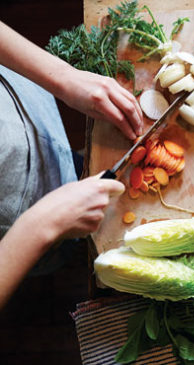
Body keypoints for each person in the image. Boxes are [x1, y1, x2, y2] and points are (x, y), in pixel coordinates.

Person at [0, 21, 144, 308]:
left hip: (16, 108)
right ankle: (72, 243)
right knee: (73, 242)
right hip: (18, 220)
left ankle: (77, 165)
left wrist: (64, 77)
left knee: (70, 160)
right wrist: (42, 224)